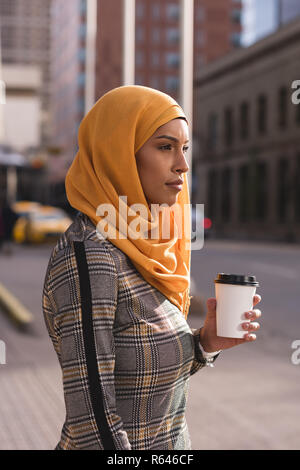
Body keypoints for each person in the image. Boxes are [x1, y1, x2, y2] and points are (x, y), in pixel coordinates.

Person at [42, 85, 262, 450]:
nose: (183, 164)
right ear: (120, 154)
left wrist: (205, 344)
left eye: (185, 148)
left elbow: (144, 380)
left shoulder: (147, 247)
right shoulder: (91, 254)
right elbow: (92, 422)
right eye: (165, 147)